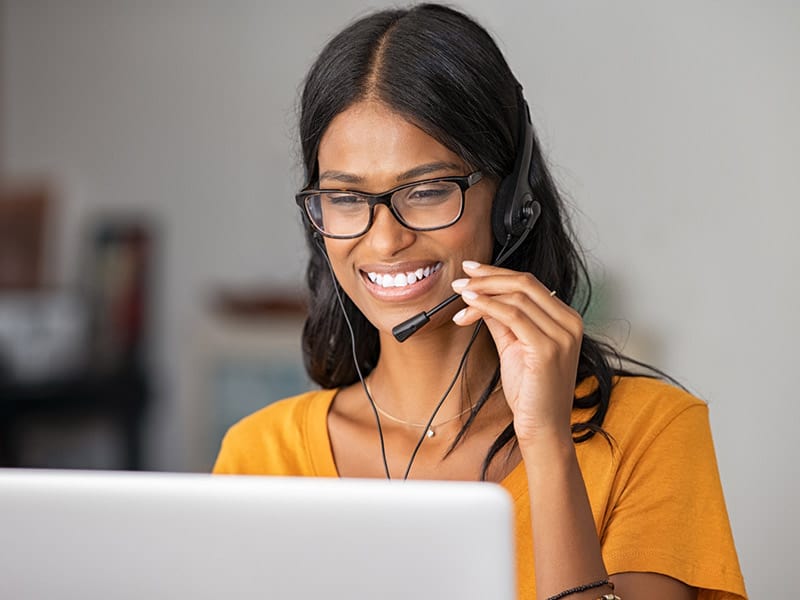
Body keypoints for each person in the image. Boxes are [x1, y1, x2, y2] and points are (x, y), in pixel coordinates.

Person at [213, 4, 747, 599]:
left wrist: (546, 443)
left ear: (511, 202)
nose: (385, 239)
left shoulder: (653, 431)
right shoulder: (258, 453)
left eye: (428, 190)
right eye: (344, 197)